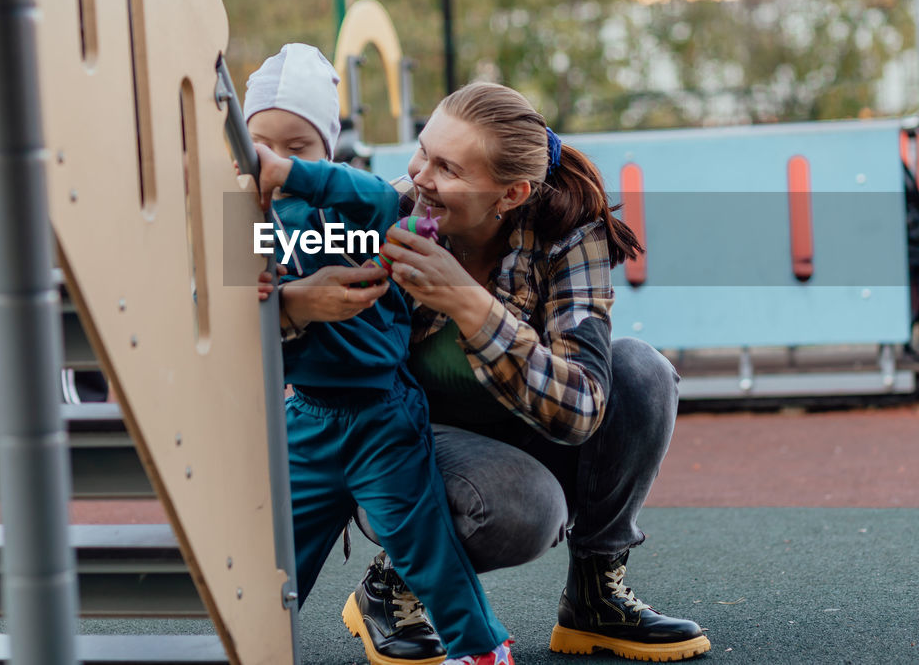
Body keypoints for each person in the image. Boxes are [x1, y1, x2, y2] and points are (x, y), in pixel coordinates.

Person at [277, 82, 711, 663]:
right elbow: (252, 274)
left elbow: (583, 409)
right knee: (528, 509)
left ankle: (594, 596)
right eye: (423, 151)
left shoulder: (568, 231)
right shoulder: (385, 212)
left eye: (448, 168)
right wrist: (293, 304)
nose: (420, 176)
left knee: (641, 372)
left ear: (512, 193)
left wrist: (469, 305)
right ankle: (393, 585)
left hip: (524, 425)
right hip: (405, 447)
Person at [244, 45, 514, 665]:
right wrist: (272, 299)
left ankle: (481, 649)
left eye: (299, 146)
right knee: (276, 553)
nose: (277, 161)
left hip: (379, 417)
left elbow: (368, 192)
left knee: (424, 543)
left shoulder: (356, 207)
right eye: (263, 145)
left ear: (327, 151)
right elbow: (229, 310)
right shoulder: (245, 218)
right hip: (307, 416)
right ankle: (252, 645)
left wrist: (292, 177)